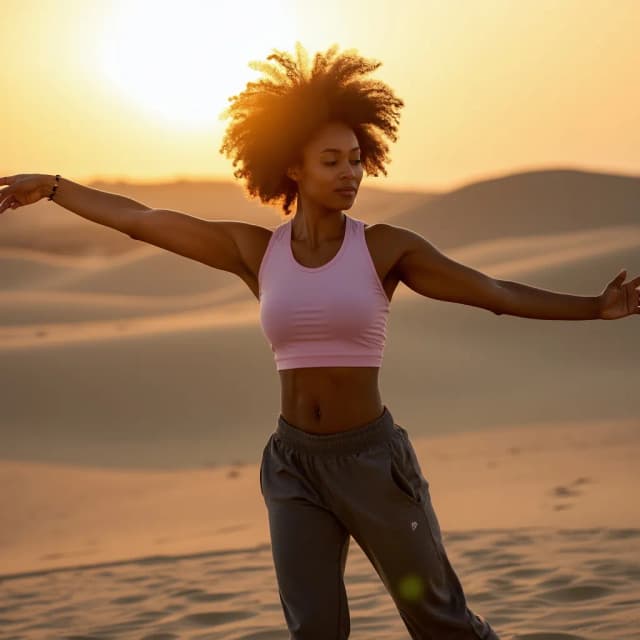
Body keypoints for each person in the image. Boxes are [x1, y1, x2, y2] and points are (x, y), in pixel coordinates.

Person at [0, 42, 638, 640]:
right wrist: (54, 187)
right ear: (292, 167)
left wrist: (593, 309)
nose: (350, 172)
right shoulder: (256, 251)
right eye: (332, 161)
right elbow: (142, 220)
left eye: (357, 159)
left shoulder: (386, 248)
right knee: (314, 630)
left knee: (439, 619)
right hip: (292, 465)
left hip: (372, 462)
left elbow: (493, 291)